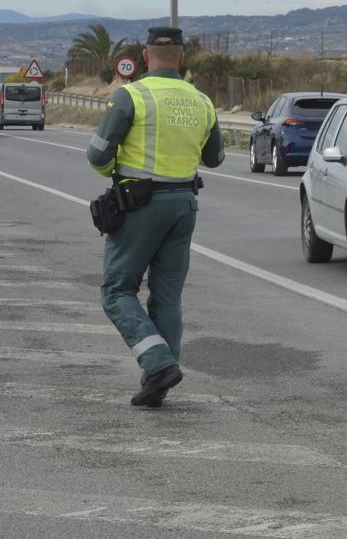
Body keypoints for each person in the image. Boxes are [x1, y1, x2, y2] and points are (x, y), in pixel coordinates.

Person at [86, 26, 225, 407]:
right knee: (167, 296)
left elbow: (98, 156)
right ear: (182, 58)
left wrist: (117, 173)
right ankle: (157, 383)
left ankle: (157, 361)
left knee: (116, 291)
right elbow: (215, 159)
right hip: (184, 203)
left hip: (139, 205)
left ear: (146, 57)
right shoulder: (202, 101)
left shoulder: (131, 95)